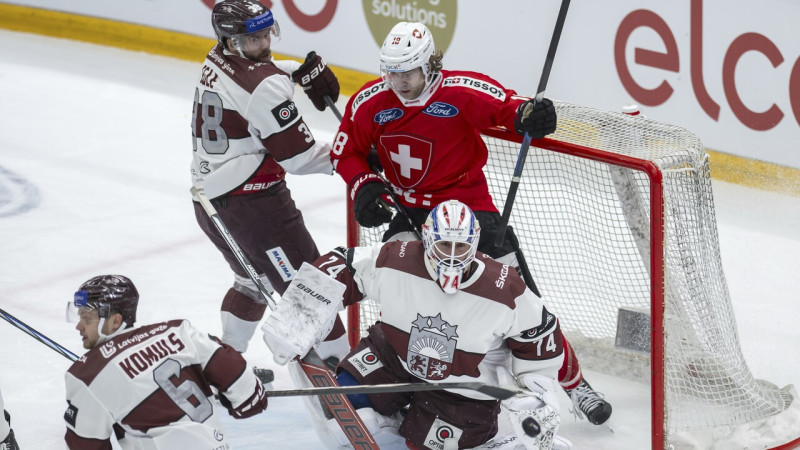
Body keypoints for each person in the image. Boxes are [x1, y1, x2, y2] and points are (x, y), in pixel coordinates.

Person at [331, 21, 611, 424]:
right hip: (411, 215)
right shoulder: (371, 102)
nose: (399, 82)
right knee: (403, 289)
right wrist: (365, 184)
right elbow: (347, 152)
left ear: (429, 64)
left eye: (407, 72)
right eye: (391, 73)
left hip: (472, 213)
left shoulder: (461, 90)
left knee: (525, 302)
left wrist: (530, 114)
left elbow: (509, 107)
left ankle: (573, 383)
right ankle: (401, 377)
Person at [263, 200, 566, 449]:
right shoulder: (397, 259)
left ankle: (431, 429)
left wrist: (537, 388)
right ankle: (393, 420)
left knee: (422, 445)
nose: (450, 256)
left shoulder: (504, 288)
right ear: (425, 236)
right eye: (443, 244)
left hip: (463, 390)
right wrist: (295, 317)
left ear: (474, 242)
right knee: (342, 408)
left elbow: (540, 333)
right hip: (394, 356)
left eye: (459, 247)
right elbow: (341, 264)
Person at [190, 0, 348, 358]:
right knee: (311, 289)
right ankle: (344, 378)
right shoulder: (264, 87)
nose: (264, 45)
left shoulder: (216, 57)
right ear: (232, 42)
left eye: (267, 34)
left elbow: (259, 74)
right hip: (254, 207)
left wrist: (298, 71)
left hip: (208, 201)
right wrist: (350, 155)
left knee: (252, 280)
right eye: (254, 39)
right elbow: (300, 157)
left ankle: (226, 363)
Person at [64, 275, 269, 449]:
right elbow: (249, 395)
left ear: (116, 321)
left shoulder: (89, 376)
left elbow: (86, 445)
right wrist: (242, 401)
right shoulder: (180, 332)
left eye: (87, 319)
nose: (79, 326)